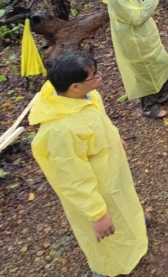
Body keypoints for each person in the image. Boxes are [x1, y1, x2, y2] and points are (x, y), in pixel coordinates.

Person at [29, 51, 148, 277]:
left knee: (124, 205)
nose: (99, 77)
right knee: (106, 236)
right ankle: (104, 270)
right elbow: (73, 179)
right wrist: (97, 214)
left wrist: (115, 136)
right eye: (94, 76)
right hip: (97, 186)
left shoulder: (85, 96)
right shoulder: (60, 131)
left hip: (111, 173)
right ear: (74, 87)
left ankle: (135, 227)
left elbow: (99, 120)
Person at [101, 0, 168, 119]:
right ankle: (149, 107)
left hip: (146, 39)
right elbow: (137, 17)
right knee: (146, 74)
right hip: (136, 44)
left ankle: (165, 94)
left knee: (162, 63)